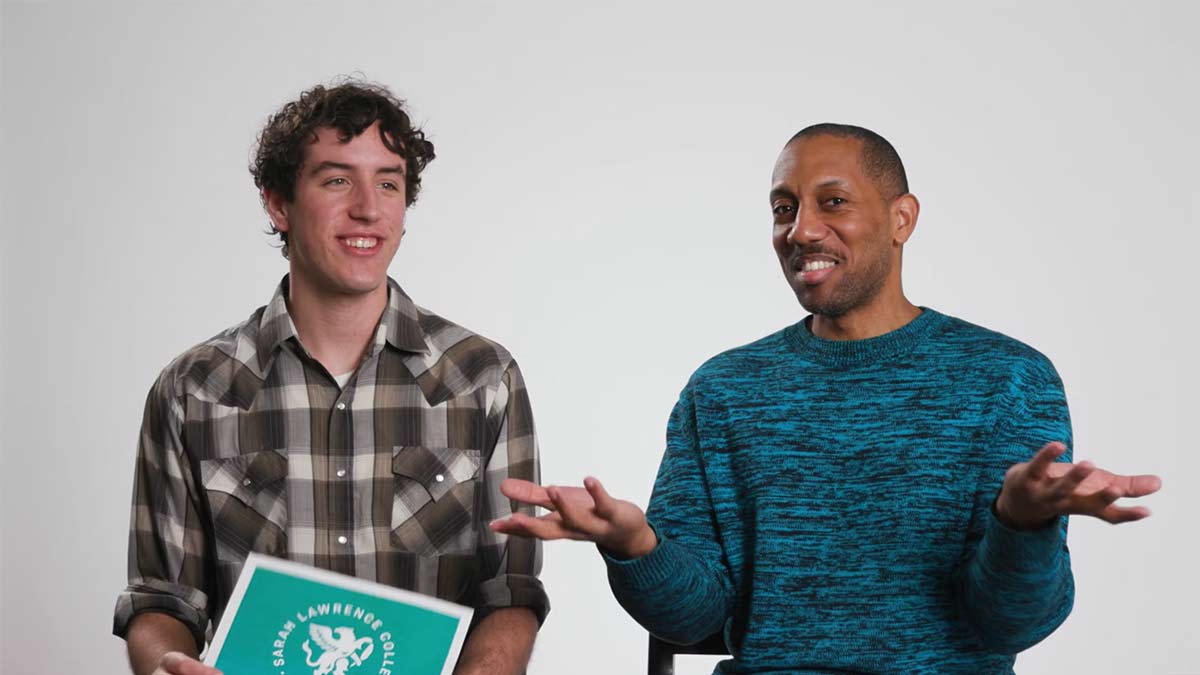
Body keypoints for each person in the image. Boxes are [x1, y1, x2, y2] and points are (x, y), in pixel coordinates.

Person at [493, 124, 1162, 674]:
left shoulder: (1007, 378)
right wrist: (635, 543)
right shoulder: (723, 390)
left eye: (832, 202)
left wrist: (1020, 522)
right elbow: (693, 618)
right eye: (784, 208)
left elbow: (1010, 622)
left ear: (902, 218)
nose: (801, 230)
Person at [114, 80, 548, 675]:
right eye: (337, 179)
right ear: (278, 203)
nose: (368, 208)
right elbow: (162, 599)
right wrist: (166, 662)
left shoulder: (482, 379)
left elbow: (511, 592)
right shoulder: (194, 391)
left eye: (389, 183)